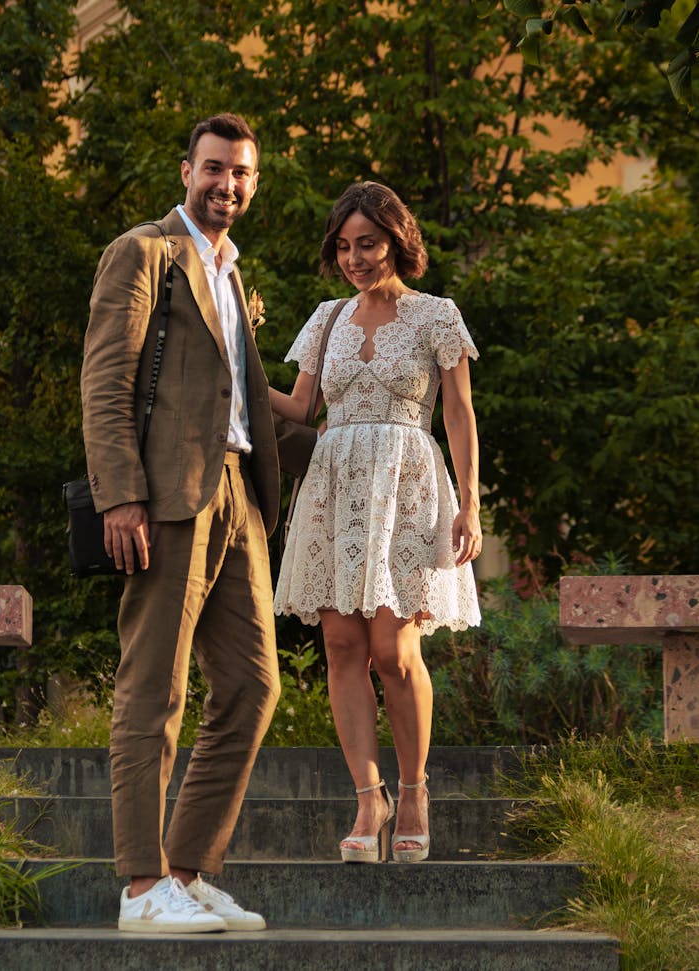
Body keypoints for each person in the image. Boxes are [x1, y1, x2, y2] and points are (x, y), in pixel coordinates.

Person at [81, 113, 314, 932]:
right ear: (187, 170)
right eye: (214, 168)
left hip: (239, 496)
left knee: (253, 686)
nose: (228, 184)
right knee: (155, 686)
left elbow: (247, 400)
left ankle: (186, 868)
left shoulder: (233, 270)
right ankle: (142, 888)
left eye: (242, 173)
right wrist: (120, 493)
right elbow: (106, 380)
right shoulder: (145, 252)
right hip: (169, 493)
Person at [270, 181, 482, 864]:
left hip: (409, 486)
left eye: (368, 243)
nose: (355, 257)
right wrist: (229, 369)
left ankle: (414, 790)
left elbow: (458, 414)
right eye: (345, 246)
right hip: (334, 487)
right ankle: (369, 797)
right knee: (341, 647)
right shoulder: (327, 317)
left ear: (396, 240)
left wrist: (471, 501)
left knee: (394, 651)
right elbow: (301, 408)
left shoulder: (435, 317)